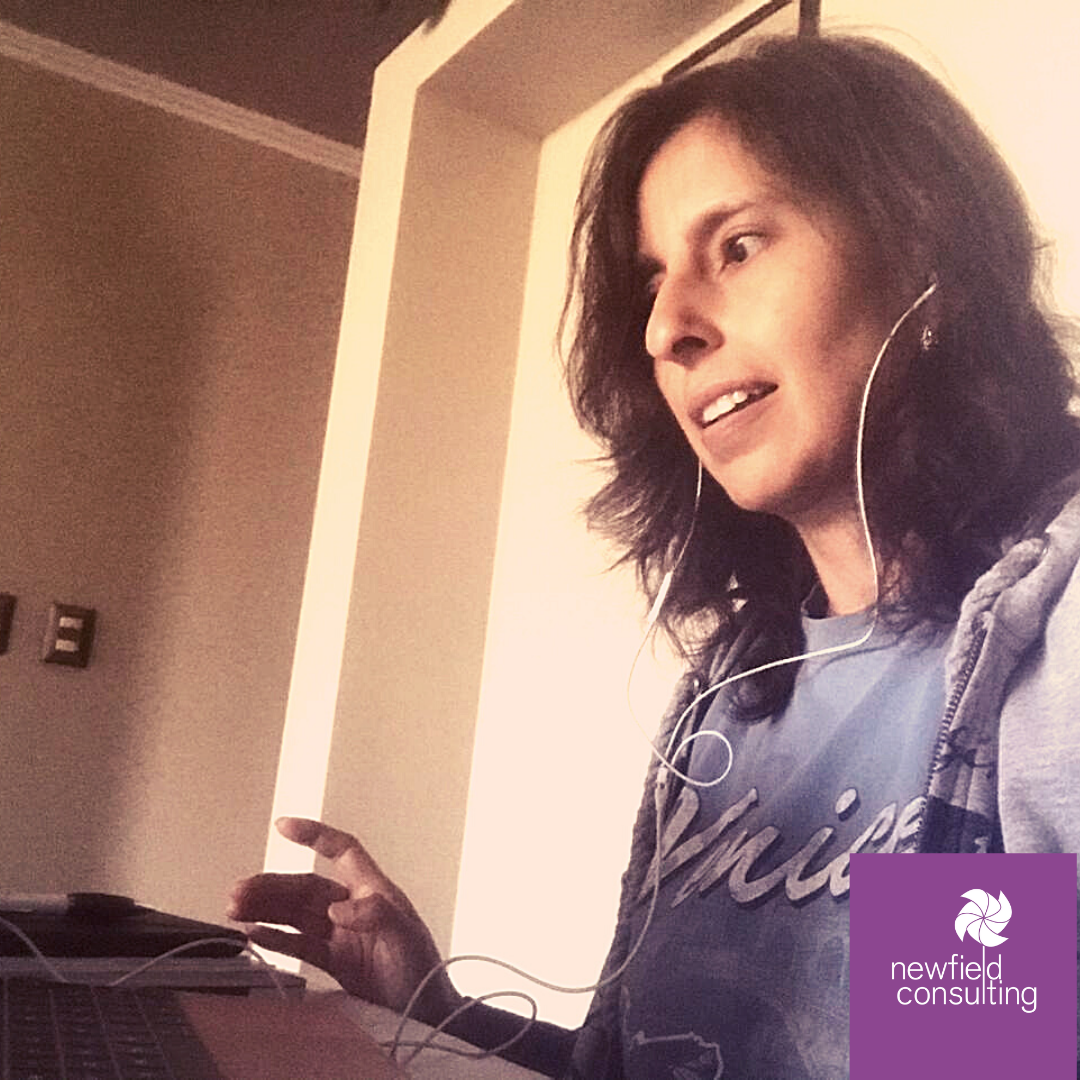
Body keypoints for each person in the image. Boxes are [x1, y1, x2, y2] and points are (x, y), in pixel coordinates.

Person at [227, 32, 1080, 1079]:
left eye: (738, 246)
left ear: (924, 259)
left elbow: (972, 1047)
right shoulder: (731, 693)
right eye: (653, 284)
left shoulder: (1048, 643)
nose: (665, 328)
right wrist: (433, 1007)